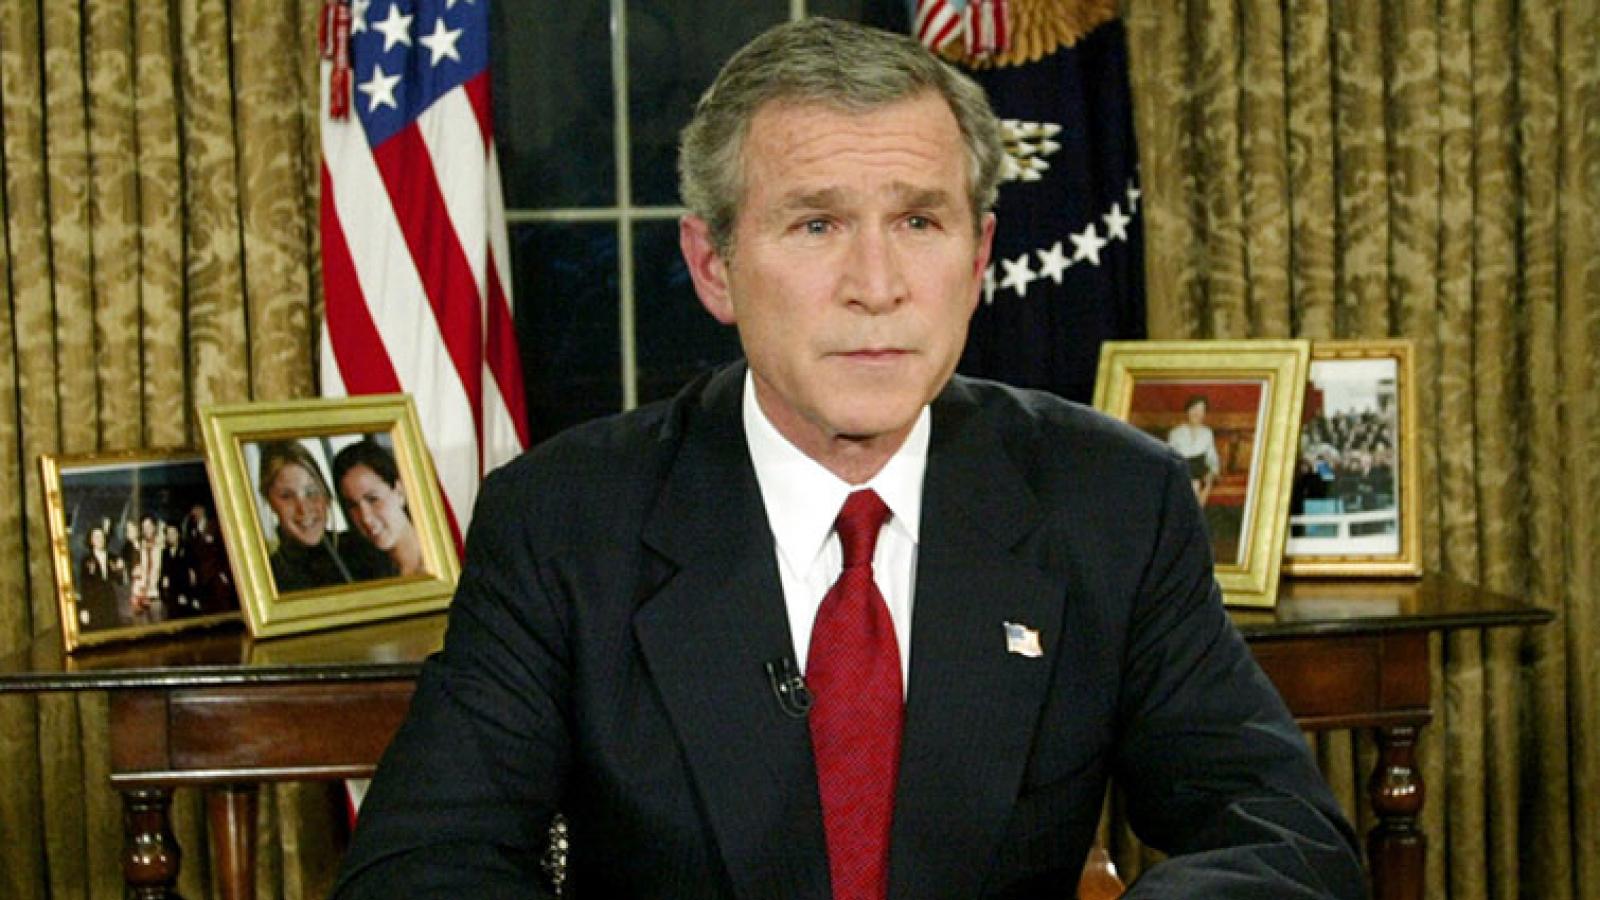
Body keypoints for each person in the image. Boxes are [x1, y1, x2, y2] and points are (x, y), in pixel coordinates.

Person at [334, 18, 1362, 899]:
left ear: (977, 261)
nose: (876, 285)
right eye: (816, 223)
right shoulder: (563, 520)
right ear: (713, 267)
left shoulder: (1110, 499)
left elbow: (1283, 834)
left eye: (917, 221)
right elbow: (423, 866)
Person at [257, 441, 393, 592]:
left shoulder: (364, 551)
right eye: (286, 496)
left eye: (311, 492)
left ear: (325, 494)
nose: (303, 509)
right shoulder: (267, 579)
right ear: (270, 502)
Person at [333, 438, 425, 577]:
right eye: (353, 505)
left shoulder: (447, 557)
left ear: (399, 492)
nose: (365, 518)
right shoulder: (363, 572)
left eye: (372, 499)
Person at [1167, 394, 1221, 505]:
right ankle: (1194, 516)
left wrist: (1212, 472)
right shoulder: (1175, 433)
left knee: (1204, 483)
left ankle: (1194, 515)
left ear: (1204, 414)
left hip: (1201, 469)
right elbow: (1170, 458)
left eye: (1201, 410)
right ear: (1187, 411)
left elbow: (1212, 457)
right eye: (1194, 409)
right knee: (1194, 485)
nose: (1197, 413)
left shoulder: (1207, 433)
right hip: (1183, 469)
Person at [76, 525, 121, 631]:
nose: (99, 540)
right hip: (94, 604)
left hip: (111, 603)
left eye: (101, 536)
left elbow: (120, 581)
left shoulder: (113, 558)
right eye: (96, 537)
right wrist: (84, 608)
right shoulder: (86, 561)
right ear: (91, 540)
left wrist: (120, 571)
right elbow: (85, 586)